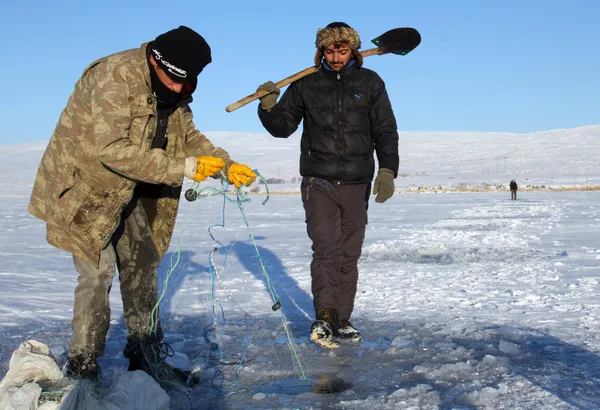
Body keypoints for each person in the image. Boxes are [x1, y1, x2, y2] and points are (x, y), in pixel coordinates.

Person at [27, 25, 257, 384]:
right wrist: (184, 168)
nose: (179, 89)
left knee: (143, 264)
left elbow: (188, 137)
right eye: (174, 79)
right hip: (85, 187)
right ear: (155, 61)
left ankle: (145, 356)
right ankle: (83, 361)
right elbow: (111, 150)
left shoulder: (176, 90)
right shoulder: (114, 76)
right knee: (97, 271)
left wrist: (226, 165)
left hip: (128, 187)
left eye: (188, 82)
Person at [255, 22, 399, 347]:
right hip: (318, 180)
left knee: (349, 254)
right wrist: (268, 107)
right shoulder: (306, 83)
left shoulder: (370, 82)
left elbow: (385, 130)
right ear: (321, 51)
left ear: (352, 51)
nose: (336, 58)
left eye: (342, 51)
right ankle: (326, 316)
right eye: (330, 51)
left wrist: (388, 170)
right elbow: (283, 127)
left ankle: (342, 319)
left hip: (358, 181)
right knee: (326, 250)